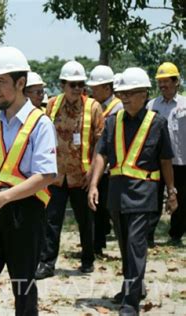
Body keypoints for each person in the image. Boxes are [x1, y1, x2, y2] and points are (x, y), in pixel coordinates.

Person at [0, 46, 57, 315]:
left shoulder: (40, 123)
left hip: (25, 213)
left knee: (23, 287)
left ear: (20, 83)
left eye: (1, 81)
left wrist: (4, 197)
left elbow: (46, 175)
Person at [88, 67, 177, 316]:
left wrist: (172, 191)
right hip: (116, 194)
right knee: (125, 245)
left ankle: (131, 302)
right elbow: (101, 154)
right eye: (121, 93)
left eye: (130, 93)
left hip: (144, 195)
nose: (124, 98)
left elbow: (166, 160)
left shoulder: (157, 123)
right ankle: (132, 287)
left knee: (136, 245)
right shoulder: (113, 122)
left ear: (144, 94)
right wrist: (94, 184)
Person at [35, 60, 104, 280]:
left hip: (82, 177)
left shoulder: (93, 107)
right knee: (51, 221)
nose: (76, 89)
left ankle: (87, 259)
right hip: (56, 177)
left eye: (80, 84)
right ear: (63, 84)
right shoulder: (52, 105)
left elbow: (100, 144)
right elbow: (43, 138)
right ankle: (46, 264)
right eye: (72, 84)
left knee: (85, 221)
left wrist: (93, 174)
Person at [146, 62, 185, 246]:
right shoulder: (151, 105)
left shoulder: (185, 104)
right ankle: (148, 236)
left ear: (176, 82)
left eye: (166, 81)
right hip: (157, 161)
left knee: (182, 198)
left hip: (181, 160)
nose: (162, 86)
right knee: (153, 198)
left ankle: (176, 234)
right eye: (160, 82)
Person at [87, 65, 123, 255]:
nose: (92, 91)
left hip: (110, 166)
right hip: (98, 163)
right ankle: (97, 244)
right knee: (97, 208)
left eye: (96, 87)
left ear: (107, 88)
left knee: (106, 208)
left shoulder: (117, 107)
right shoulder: (96, 107)